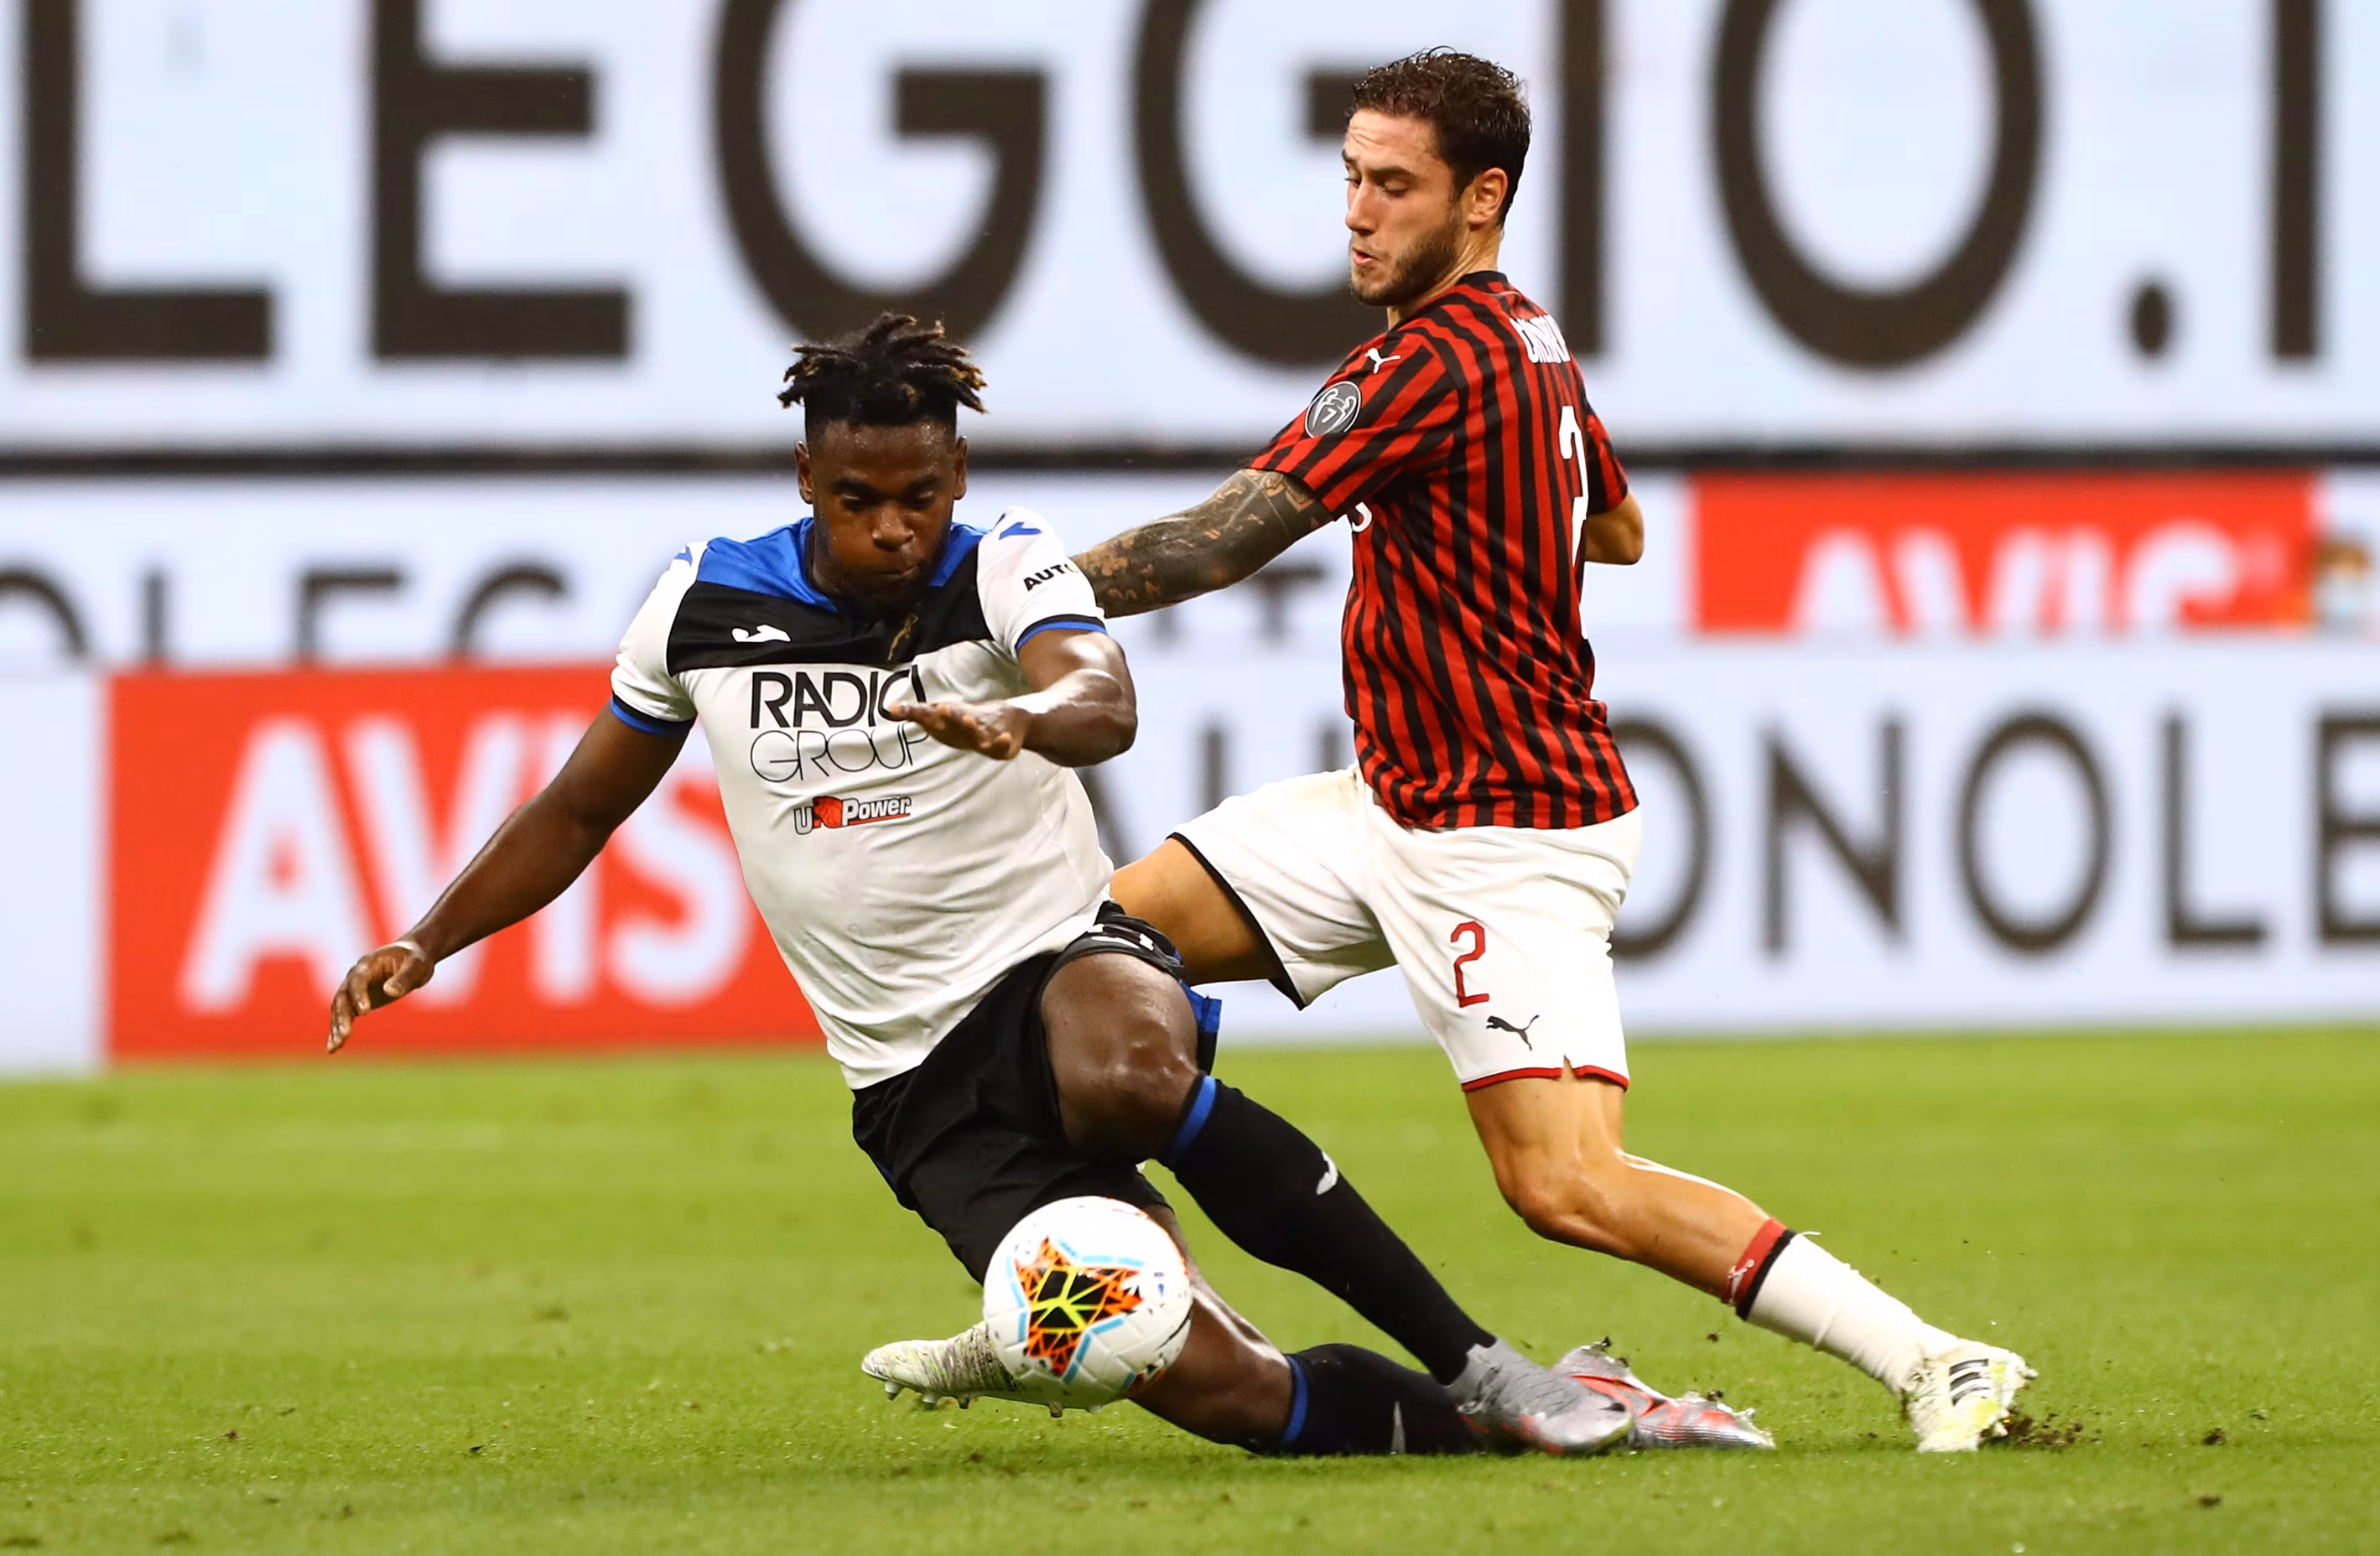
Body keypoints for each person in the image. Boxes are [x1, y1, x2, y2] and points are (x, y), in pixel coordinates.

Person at [322, 314, 1737, 1459]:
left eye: (921, 497)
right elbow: (580, 807)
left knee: (1126, 1071)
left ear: (956, 478)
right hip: (911, 1084)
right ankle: (1517, 1420)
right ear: (807, 482)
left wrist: (1022, 717)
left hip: (1057, 961)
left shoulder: (1001, 566)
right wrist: (428, 938)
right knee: (1214, 1383)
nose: (895, 529)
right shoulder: (704, 605)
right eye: (860, 501)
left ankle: (1477, 1359)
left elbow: (1100, 695)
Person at [1062, 50, 2034, 1451]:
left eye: (1395, 185)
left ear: (1482, 199)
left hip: (1506, 833)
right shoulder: (1531, 339)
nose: (1358, 212)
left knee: (1567, 1185)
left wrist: (1010, 598)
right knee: (1090, 955)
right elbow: (1618, 527)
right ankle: (1118, 1296)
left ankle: (1935, 1358)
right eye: (1351, 177)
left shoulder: (1427, 363)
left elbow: (1220, 541)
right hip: (1390, 804)